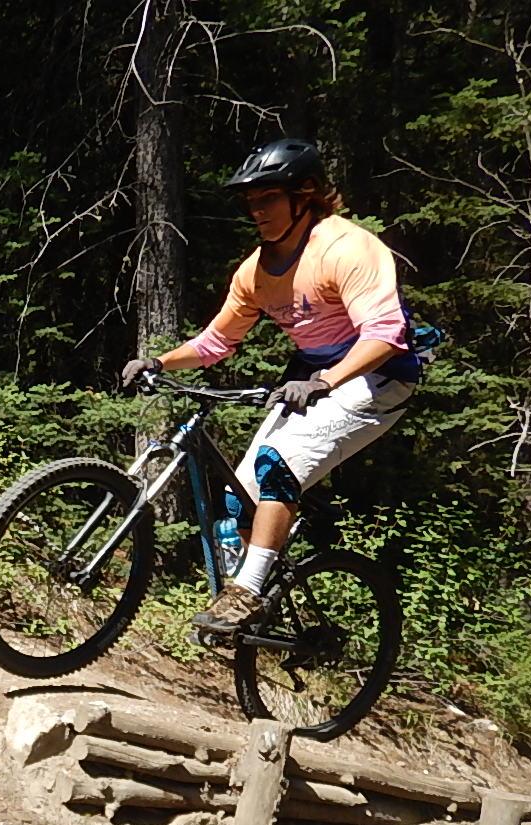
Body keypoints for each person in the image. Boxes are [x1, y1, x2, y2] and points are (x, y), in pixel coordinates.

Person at [120, 137, 422, 635]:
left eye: (267, 198)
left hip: (377, 377)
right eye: (250, 200)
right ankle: (262, 599)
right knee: (241, 496)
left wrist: (324, 379)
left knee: (276, 465)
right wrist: (159, 361)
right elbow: (217, 342)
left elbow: (387, 336)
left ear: (305, 194)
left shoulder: (346, 247)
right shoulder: (255, 272)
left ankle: (246, 593)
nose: (255, 210)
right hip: (316, 379)